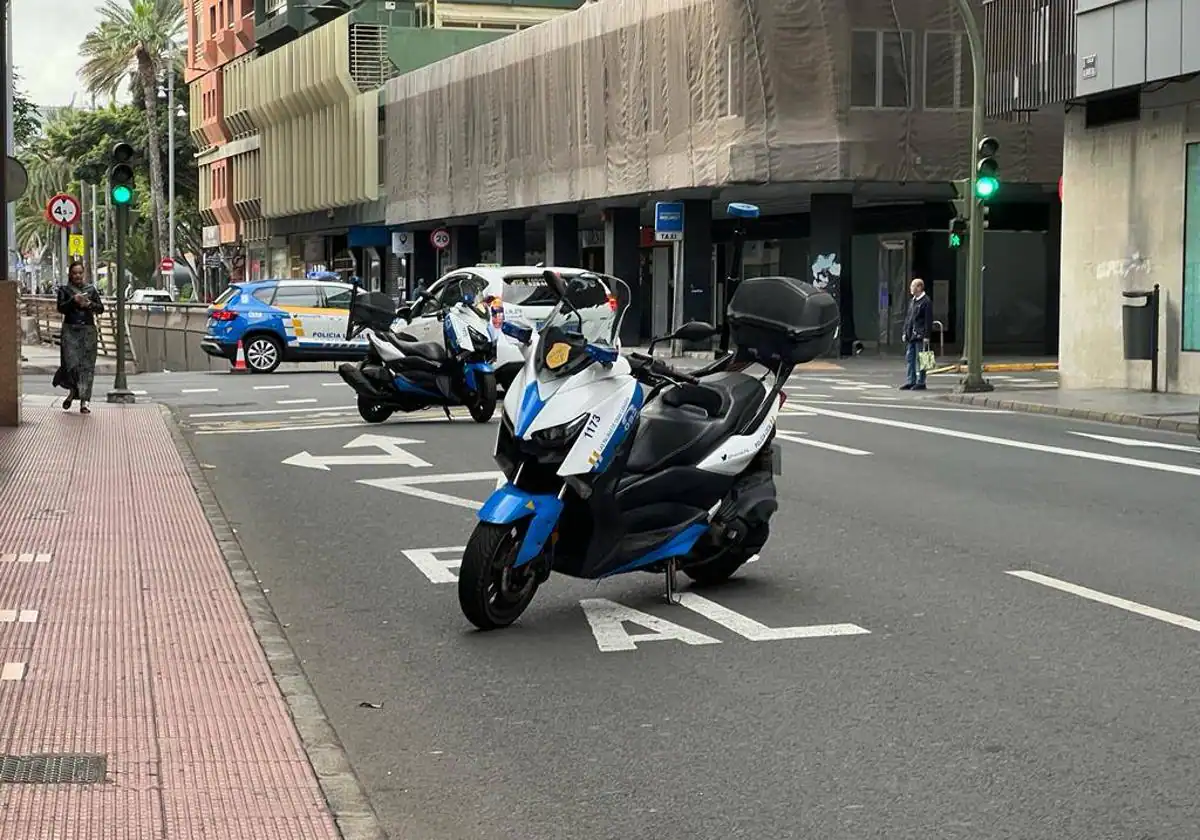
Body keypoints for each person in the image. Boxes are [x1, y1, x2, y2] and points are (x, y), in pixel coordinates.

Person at [54, 261, 104, 414]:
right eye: (74, 273)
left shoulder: (91, 289)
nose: (77, 276)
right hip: (70, 330)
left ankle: (84, 402)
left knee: (87, 366)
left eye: (80, 273)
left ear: (84, 274)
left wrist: (88, 303)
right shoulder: (64, 290)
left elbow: (100, 309)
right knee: (71, 364)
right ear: (70, 274)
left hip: (88, 330)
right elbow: (61, 308)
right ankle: (72, 391)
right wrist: (73, 300)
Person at [900, 277, 933, 391]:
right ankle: (911, 380)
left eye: (913, 286)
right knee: (910, 358)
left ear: (919, 287)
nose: (911, 288)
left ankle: (921, 381)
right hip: (911, 335)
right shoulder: (912, 301)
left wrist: (927, 336)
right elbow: (908, 318)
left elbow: (928, 320)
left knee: (922, 359)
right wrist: (905, 331)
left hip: (920, 335)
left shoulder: (926, 301)